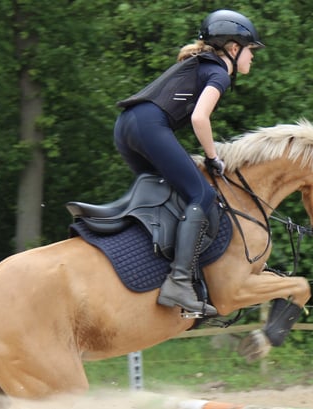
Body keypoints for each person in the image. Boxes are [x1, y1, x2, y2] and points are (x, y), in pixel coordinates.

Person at [114, 9, 264, 317]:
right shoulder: (219, 72)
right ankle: (179, 281)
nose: (252, 57)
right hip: (149, 126)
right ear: (233, 49)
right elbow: (199, 117)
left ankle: (152, 266)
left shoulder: (201, 65)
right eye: (251, 49)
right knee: (203, 195)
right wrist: (213, 157)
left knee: (167, 194)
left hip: (126, 126)